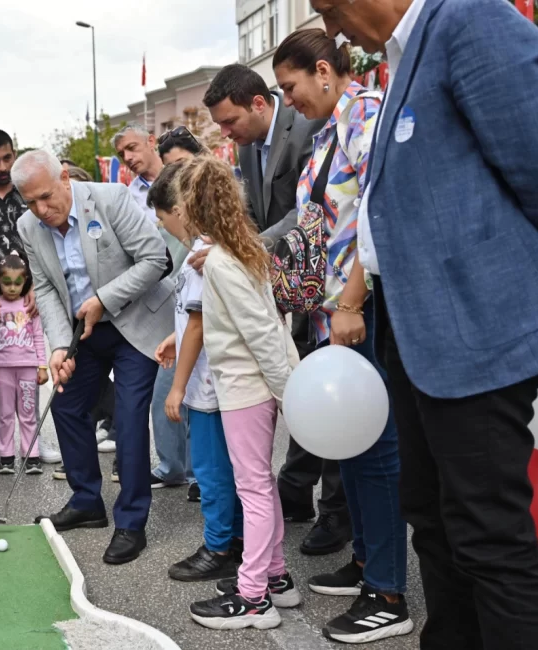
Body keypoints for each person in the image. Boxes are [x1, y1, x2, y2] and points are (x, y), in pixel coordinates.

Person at [317, 1, 538, 648]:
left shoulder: (470, 21)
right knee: (435, 522)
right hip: (419, 337)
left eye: (328, 8)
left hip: (480, 337)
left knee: (490, 539)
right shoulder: (402, 58)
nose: (332, 28)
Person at [272, 29, 411, 644]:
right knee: (351, 445)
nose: (289, 99)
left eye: (290, 86)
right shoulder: (328, 132)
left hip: (367, 307)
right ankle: (365, 562)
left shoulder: (367, 117)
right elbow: (317, 224)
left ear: (323, 70)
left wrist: (351, 299)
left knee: (375, 447)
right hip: (335, 310)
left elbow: (376, 213)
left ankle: (388, 592)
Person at [203, 63, 350, 557]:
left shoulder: (308, 126)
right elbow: (254, 210)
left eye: (229, 122)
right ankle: (299, 495)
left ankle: (334, 512)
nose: (225, 133)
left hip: (327, 282)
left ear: (260, 103)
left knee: (323, 398)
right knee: (301, 383)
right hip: (282, 285)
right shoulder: (247, 145)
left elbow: (305, 210)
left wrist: (247, 249)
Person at [13, 149, 174, 565]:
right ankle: (86, 500)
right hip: (83, 328)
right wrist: (60, 347)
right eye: (30, 202)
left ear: (64, 177)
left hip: (134, 322)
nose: (41, 210)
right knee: (66, 403)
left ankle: (131, 522)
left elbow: (157, 259)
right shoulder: (28, 226)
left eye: (47, 197)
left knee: (130, 415)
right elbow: (46, 288)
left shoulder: (111, 199)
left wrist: (104, 299)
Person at [178, 156, 301, 631]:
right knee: (261, 485)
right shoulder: (241, 251)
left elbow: (262, 333)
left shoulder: (225, 264)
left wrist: (287, 390)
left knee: (252, 489)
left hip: (246, 390)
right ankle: (274, 577)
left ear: (195, 207)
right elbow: (270, 324)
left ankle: (254, 597)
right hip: (253, 387)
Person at [149, 162, 244, 584]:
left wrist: (178, 387)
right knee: (233, 467)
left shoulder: (202, 255)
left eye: (162, 215)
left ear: (181, 209)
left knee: (210, 469)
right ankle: (237, 539)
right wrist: (175, 336)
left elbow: (200, 323)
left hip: (208, 386)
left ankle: (219, 545)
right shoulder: (225, 244)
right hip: (227, 379)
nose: (161, 223)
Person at [0, 129, 61, 469]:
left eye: (7, 157)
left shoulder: (28, 190)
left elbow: (47, 238)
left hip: (29, 290)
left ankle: (32, 435)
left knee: (27, 361)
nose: (3, 165)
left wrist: (38, 283)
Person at [113, 123, 194, 494]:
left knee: (199, 390)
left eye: (132, 147)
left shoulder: (192, 180)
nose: (128, 158)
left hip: (200, 292)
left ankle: (202, 472)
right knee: (166, 388)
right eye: (120, 154)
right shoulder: (129, 197)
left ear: (150, 142)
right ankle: (173, 465)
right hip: (156, 304)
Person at [0, 252, 48, 474]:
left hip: (28, 368)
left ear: (25, 282)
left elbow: (39, 337)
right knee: (5, 414)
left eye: (18, 283)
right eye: (7, 283)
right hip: (2, 369)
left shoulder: (31, 307)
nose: (12, 288)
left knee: (28, 413)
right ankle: (6, 457)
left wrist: (42, 366)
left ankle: (32, 456)